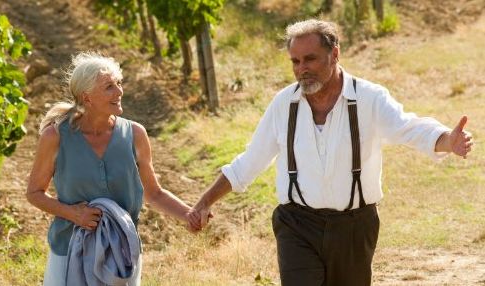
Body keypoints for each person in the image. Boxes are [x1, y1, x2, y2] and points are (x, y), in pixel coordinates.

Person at [187, 19, 473, 286]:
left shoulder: (369, 97)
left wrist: (448, 140)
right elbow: (249, 162)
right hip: (296, 225)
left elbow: (408, 127)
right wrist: (205, 202)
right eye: (295, 62)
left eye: (310, 59)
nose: (302, 69)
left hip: (355, 226)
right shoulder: (283, 104)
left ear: (334, 54)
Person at [26, 52, 198, 286]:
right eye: (109, 87)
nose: (119, 92)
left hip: (121, 254)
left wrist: (188, 214)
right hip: (67, 250)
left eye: (118, 83)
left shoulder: (135, 134)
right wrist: (74, 214)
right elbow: (34, 193)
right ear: (87, 98)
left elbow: (154, 193)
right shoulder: (55, 136)